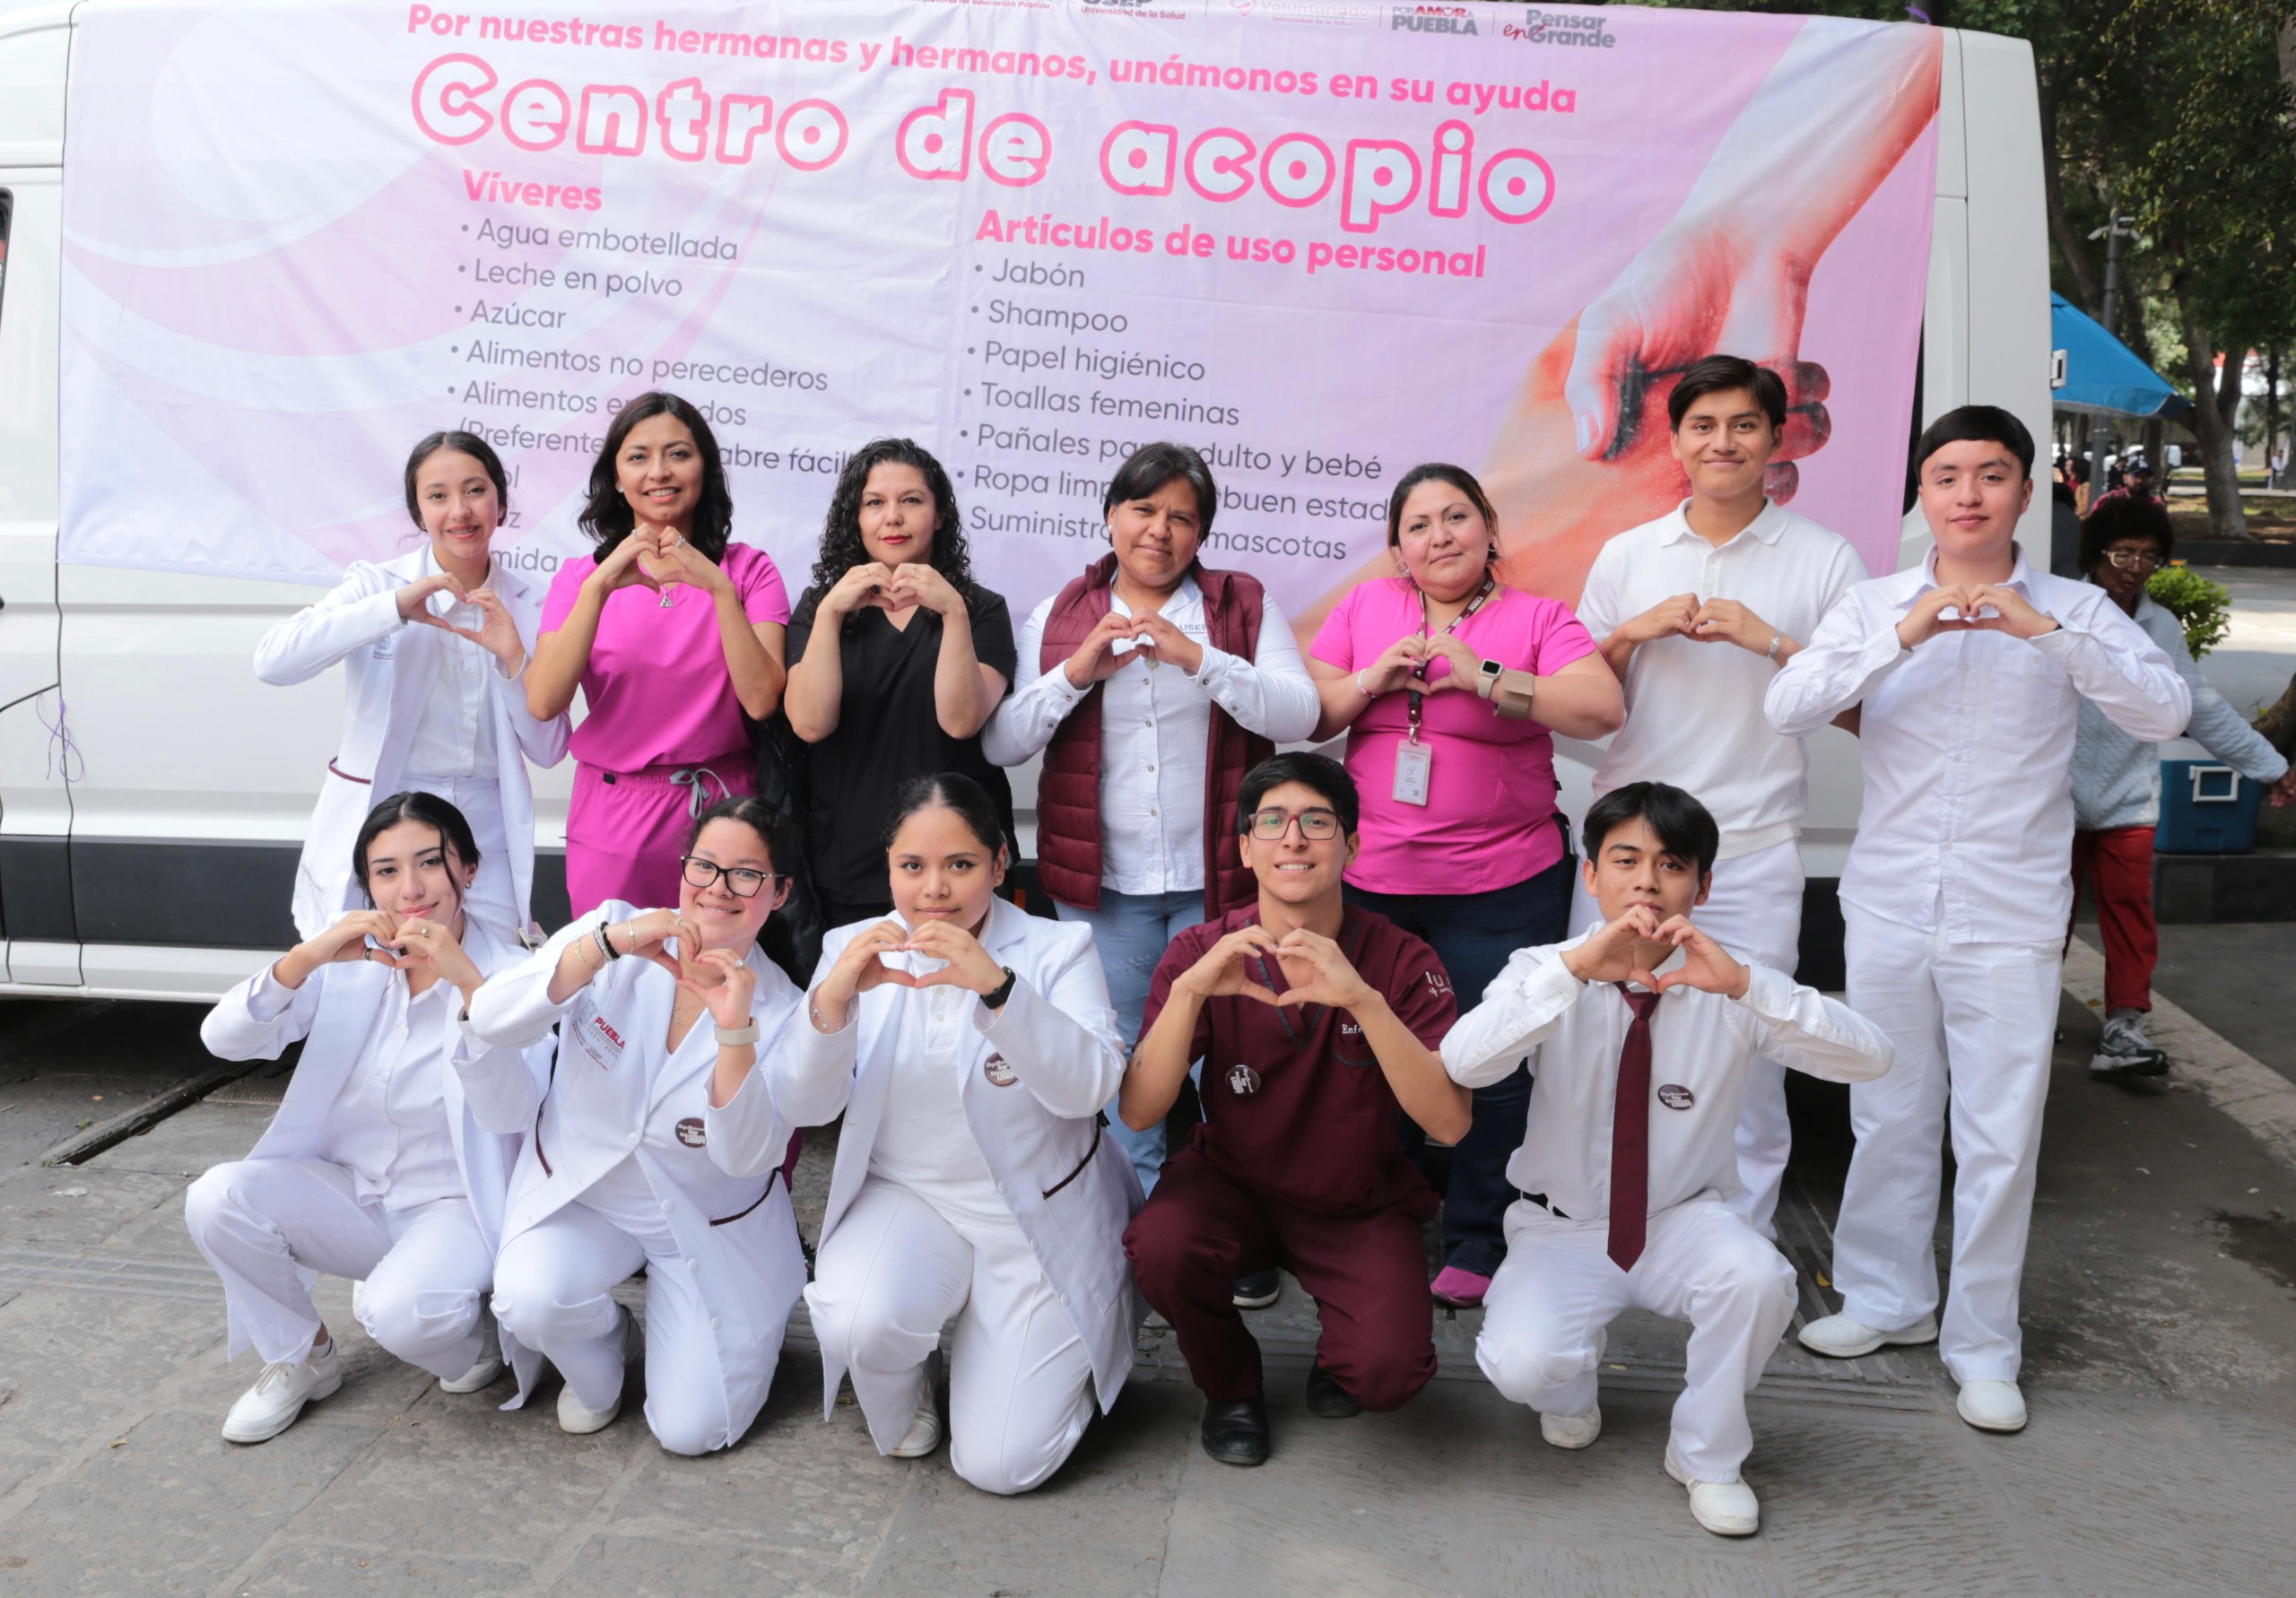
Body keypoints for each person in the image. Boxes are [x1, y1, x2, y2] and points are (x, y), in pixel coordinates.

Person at [1767, 405, 2188, 1434]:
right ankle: (1886, 1300)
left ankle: (1984, 1344)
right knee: (1886, 1109)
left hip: (2009, 907)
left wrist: (2046, 637)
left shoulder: (2074, 609)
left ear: (2025, 491)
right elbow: (1787, 705)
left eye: (1990, 475)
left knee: (1998, 1131)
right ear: (1920, 492)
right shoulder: (1875, 603)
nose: (1967, 494)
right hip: (1890, 897)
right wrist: (1901, 637)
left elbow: (2164, 711)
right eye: (1947, 475)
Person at [1443, 782, 1892, 1536]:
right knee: (1525, 1365)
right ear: (1592, 876)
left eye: (1672, 864)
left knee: (1758, 1279)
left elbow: (1871, 1059)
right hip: (1562, 1226)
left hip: (1682, 1219)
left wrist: (1748, 987)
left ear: (1702, 887)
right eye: (1625, 860)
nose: (1647, 881)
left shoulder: (1727, 978)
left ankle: (1706, 1456)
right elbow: (1465, 1062)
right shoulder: (1544, 968)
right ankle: (1570, 1382)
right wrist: (1573, 972)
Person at [1306, 464, 1622, 1309]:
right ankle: (1381, 1214)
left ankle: (1480, 1232)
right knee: (1372, 1053)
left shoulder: (1537, 617)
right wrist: (1371, 678)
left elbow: (1600, 708)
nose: (1438, 536)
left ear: (1488, 529)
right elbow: (1310, 712)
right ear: (1398, 547)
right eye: (1418, 525)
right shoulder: (1365, 608)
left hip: (1501, 886)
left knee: (1495, 1060)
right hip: (1373, 883)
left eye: (1455, 517)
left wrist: (1482, 674)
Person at [1571, 356, 1868, 1241]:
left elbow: (1861, 706)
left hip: (1751, 849)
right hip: (1629, 854)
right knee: (1601, 1044)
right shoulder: (1628, 555)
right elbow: (1581, 703)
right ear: (1675, 442)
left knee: (1749, 1057)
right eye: (1702, 425)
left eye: (1743, 424)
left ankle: (1739, 1247)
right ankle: (1599, 1233)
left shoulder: (1825, 557)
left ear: (1777, 440)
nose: (1722, 442)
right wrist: (1631, 634)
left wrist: (1774, 643)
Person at [778, 774, 1140, 1496]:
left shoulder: (1058, 947)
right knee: (857, 1320)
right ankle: (913, 1373)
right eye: (912, 866)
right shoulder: (853, 947)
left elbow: (1091, 1088)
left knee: (1001, 1466)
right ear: (889, 867)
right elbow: (802, 1104)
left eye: (961, 864)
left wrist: (999, 989)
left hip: (1032, 1216)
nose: (934, 888)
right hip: (908, 1197)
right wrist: (832, 1004)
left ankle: (1032, 1345)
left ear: (1000, 863)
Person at [982, 442, 1319, 1194]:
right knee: (1125, 1063)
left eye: (1182, 518)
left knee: (1231, 1057)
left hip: (1220, 880)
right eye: (1143, 509)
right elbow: (1003, 743)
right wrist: (1076, 673)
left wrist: (1201, 659)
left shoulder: (1241, 603)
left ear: (1201, 535)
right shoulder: (1062, 612)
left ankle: (1232, 1218)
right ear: (1111, 516)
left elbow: (1301, 715)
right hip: (1105, 889)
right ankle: (1132, 1222)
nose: (1160, 530)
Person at [1122, 753, 1468, 1467]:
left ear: (1353, 845)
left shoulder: (1402, 961)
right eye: (1272, 822)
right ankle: (1231, 1386)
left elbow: (1449, 1124)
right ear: (1245, 848)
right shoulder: (1201, 951)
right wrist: (1189, 993)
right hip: (1232, 1186)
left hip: (1354, 1199)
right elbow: (1138, 1112)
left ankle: (1341, 1352)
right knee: (1161, 1245)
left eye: (1317, 821)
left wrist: (1363, 1001)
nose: (1293, 838)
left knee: (1386, 1373)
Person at [187, 792, 548, 1443]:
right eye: (386, 870)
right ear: (367, 885)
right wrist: (309, 956)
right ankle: (304, 1356)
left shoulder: (516, 975)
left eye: (430, 862)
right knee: (217, 1198)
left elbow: (512, 1110)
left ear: (469, 869)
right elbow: (225, 1040)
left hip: (457, 1209)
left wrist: (472, 989)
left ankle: (471, 1327)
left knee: (404, 1319)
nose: (410, 888)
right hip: (353, 1192)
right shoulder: (352, 965)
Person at [463, 797, 808, 1454]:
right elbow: (490, 1019)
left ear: (780, 892)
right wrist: (605, 947)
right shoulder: (614, 930)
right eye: (704, 866)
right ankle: (606, 1350)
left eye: (746, 875)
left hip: (706, 1224)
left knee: (692, 1431)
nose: (718, 888)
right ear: (683, 867)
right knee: (530, 1298)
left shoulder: (785, 1010)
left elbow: (744, 1156)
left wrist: (735, 1030)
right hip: (587, 1199)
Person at [256, 431, 569, 941]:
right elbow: (274, 661)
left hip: (484, 825)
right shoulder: (377, 586)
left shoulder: (535, 604)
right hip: (390, 812)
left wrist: (513, 659)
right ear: (418, 512)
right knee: (374, 964)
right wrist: (395, 608)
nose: (460, 511)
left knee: (488, 969)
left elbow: (550, 749)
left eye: (475, 490)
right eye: (438, 496)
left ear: (501, 502)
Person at [527, 393, 791, 916]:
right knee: (611, 961)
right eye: (638, 456)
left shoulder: (749, 571)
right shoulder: (581, 580)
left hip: (725, 810)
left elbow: (763, 699)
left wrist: (719, 590)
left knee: (719, 960)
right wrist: (599, 588)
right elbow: (543, 700)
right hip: (614, 813)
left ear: (705, 469)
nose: (659, 472)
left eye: (678, 454)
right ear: (616, 478)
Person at [2071, 498, 2294, 1074]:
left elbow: (2202, 708)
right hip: (2052, 803)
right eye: (2123, 553)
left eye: (2149, 557)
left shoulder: (2161, 628)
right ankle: (2024, 1015)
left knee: (2130, 913)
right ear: (2095, 554)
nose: (2134, 568)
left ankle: (2123, 1030)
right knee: (2043, 917)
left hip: (2128, 799)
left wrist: (2271, 766)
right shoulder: (2059, 611)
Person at [783, 440, 1018, 928]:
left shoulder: (982, 609)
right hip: (849, 859)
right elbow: (808, 723)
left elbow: (961, 720)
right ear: (856, 518)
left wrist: (952, 611)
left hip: (955, 869)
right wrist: (830, 612)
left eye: (911, 500)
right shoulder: (819, 608)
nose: (893, 517)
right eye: (875, 503)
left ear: (940, 514)